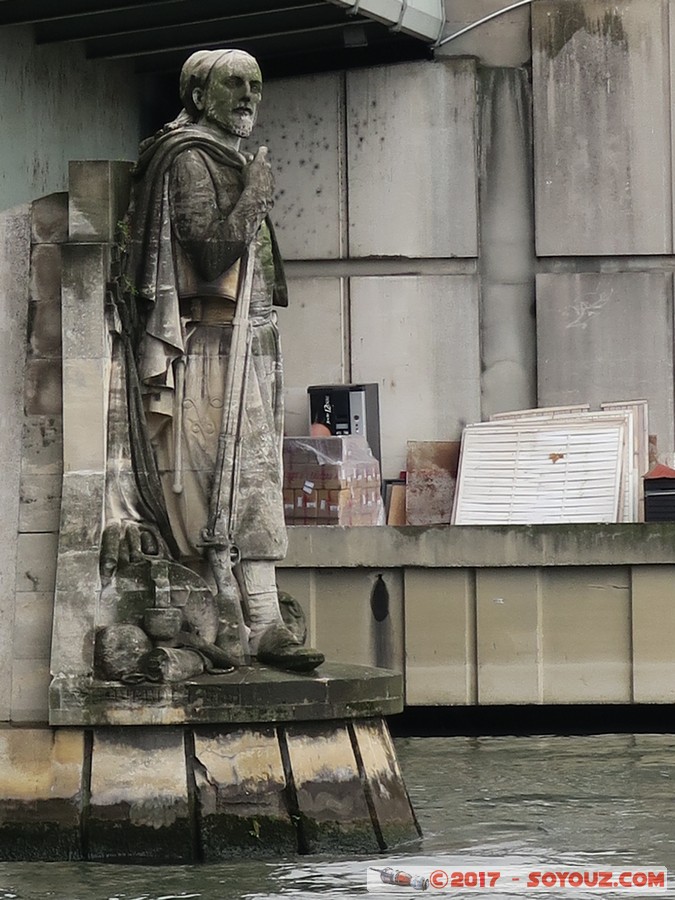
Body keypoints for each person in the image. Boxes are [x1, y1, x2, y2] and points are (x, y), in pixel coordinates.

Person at [115, 48, 323, 672]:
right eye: (235, 84)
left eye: (256, 85)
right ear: (198, 94)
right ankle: (249, 617)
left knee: (253, 478)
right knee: (232, 479)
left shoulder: (220, 156)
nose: (249, 96)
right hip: (209, 347)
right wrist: (257, 190)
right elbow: (209, 253)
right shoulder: (189, 159)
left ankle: (254, 614)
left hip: (246, 340)